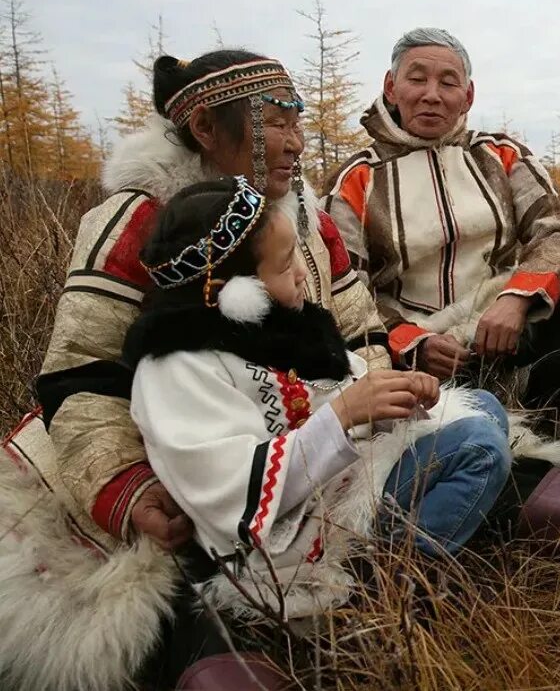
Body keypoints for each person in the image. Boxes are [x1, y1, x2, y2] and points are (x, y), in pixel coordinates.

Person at [0, 49, 390, 690]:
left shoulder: (307, 221)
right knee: (160, 587)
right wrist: (123, 488)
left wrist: (365, 405)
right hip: (163, 446)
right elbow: (81, 372)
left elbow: (362, 331)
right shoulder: (138, 218)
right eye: (274, 123)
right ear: (207, 129)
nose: (295, 142)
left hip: (303, 431)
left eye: (299, 123)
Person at [126, 177, 511, 628]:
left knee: (484, 405)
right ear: (235, 289)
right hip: (293, 540)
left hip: (342, 486)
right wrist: (345, 413)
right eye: (286, 262)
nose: (303, 273)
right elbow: (229, 491)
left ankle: (434, 530)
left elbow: (347, 391)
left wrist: (404, 396)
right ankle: (384, 589)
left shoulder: (277, 329)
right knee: (480, 449)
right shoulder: (175, 373)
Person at [325, 27, 560, 419]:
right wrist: (413, 343)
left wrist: (517, 298)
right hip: (414, 354)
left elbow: (555, 232)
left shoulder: (499, 155)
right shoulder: (357, 178)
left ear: (467, 95)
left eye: (448, 82)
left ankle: (543, 426)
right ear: (391, 87)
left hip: (503, 328)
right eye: (417, 78)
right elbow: (345, 289)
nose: (431, 94)